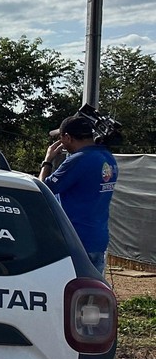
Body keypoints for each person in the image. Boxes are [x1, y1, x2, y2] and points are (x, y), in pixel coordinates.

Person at [39, 114, 118, 275]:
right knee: (92, 295)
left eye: (60, 138)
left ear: (67, 137)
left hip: (75, 241)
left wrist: (48, 160)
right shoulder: (108, 158)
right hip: (97, 239)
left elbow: (42, 189)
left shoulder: (78, 160)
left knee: (69, 294)